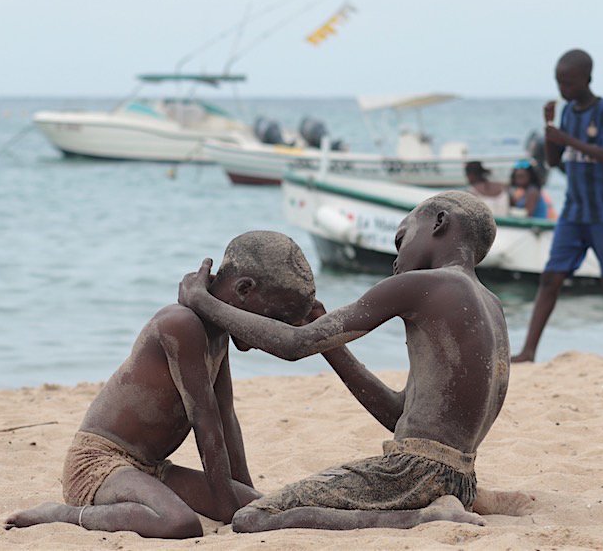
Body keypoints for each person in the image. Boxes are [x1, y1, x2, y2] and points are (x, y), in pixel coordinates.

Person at [179, 191, 514, 532]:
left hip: (413, 473)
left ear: (440, 222)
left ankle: (421, 517)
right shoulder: (491, 305)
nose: (395, 260)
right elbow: (399, 416)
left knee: (253, 517)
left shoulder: (420, 285)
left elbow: (293, 345)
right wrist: (330, 345)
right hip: (460, 479)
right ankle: (454, 501)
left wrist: (201, 300)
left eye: (400, 240)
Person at [5, 232, 316, 539]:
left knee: (262, 506)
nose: (268, 331)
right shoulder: (181, 324)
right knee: (179, 523)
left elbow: (226, 415)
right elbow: (205, 420)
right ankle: (65, 515)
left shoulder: (219, 334)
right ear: (244, 289)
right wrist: (227, 507)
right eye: (273, 318)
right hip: (100, 464)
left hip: (152, 469)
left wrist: (245, 494)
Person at [512, 49, 603, 364]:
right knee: (550, 278)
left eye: (568, 82)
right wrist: (549, 130)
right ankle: (528, 351)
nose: (563, 89)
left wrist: (567, 139)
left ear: (587, 79)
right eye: (559, 82)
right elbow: (554, 161)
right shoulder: (567, 112)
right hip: (573, 211)